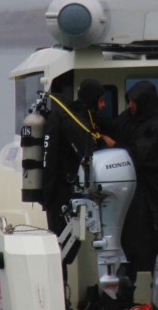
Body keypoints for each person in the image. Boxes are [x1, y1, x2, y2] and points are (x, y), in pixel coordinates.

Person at [114, 80, 158, 277]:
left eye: (133, 102)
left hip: (156, 193)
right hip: (134, 194)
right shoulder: (129, 118)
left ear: (144, 102)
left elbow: (140, 152)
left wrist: (114, 146)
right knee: (129, 243)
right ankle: (124, 297)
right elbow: (113, 126)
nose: (130, 106)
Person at [40, 78, 115, 236]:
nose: (104, 105)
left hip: (65, 190)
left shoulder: (82, 115)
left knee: (69, 242)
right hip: (60, 193)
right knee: (65, 242)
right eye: (101, 101)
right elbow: (87, 146)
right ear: (91, 100)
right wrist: (103, 140)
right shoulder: (72, 120)